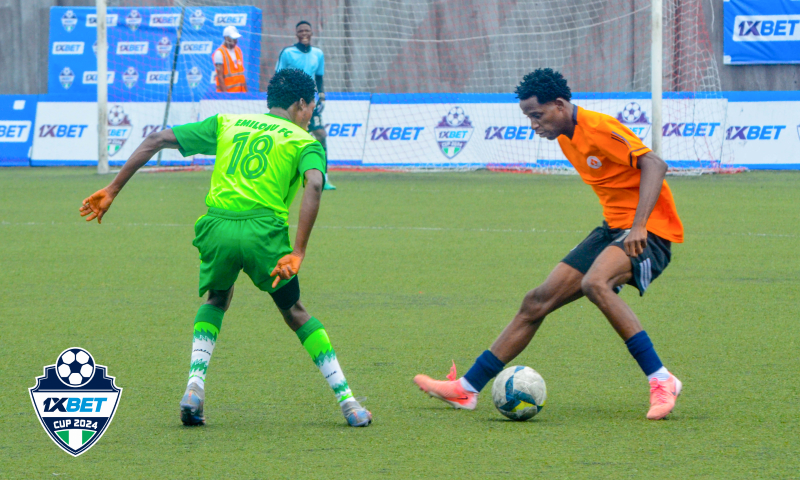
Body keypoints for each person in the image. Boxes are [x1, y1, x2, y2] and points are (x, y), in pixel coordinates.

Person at [79, 68, 371, 428]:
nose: (311, 114)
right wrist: (298, 251)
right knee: (295, 312)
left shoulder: (228, 123)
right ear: (301, 104)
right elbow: (314, 184)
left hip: (217, 227)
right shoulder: (304, 142)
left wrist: (112, 190)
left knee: (217, 299)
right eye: (312, 107)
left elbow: (156, 139)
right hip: (263, 234)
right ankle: (349, 403)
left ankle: (194, 387)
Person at [414, 68, 684, 420]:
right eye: (528, 117)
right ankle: (466, 389)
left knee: (594, 283)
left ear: (559, 104)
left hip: (651, 231)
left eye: (537, 115)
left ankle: (662, 380)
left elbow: (654, 163)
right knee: (536, 301)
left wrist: (639, 226)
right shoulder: (565, 136)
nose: (533, 125)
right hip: (613, 229)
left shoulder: (598, 127)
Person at [275, 20, 335, 190]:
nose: (304, 33)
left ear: (311, 33)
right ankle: (288, 176)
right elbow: (278, 76)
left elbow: (319, 77)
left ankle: (324, 177)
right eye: (301, 31)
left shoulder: (318, 54)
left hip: (309, 102)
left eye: (306, 30)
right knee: (292, 138)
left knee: (320, 134)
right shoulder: (287, 53)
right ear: (296, 34)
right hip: (292, 103)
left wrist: (322, 97)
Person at [213, 25, 247, 93]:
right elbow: (220, 77)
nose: (235, 41)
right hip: (229, 94)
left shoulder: (238, 50)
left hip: (241, 93)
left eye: (236, 38)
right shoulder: (219, 53)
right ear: (226, 38)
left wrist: (246, 93)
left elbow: (242, 75)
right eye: (232, 38)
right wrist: (227, 96)